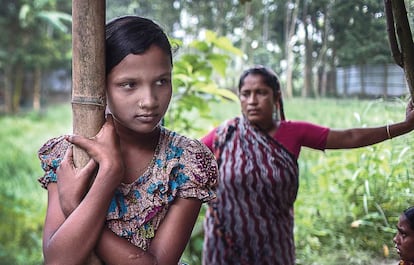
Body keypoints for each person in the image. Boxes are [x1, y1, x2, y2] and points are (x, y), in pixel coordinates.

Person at [37, 16, 218, 265]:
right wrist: (108, 175)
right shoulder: (70, 155)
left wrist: (75, 205)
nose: (150, 100)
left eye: (162, 81)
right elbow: (58, 261)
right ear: (101, 86)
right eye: (129, 84)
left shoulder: (185, 162)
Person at [201, 65, 414, 265]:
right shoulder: (224, 134)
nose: (252, 101)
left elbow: (350, 137)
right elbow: (189, 159)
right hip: (223, 246)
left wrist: (405, 126)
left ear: (276, 97)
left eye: (261, 92)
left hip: (273, 247)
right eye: (246, 94)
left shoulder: (293, 133)